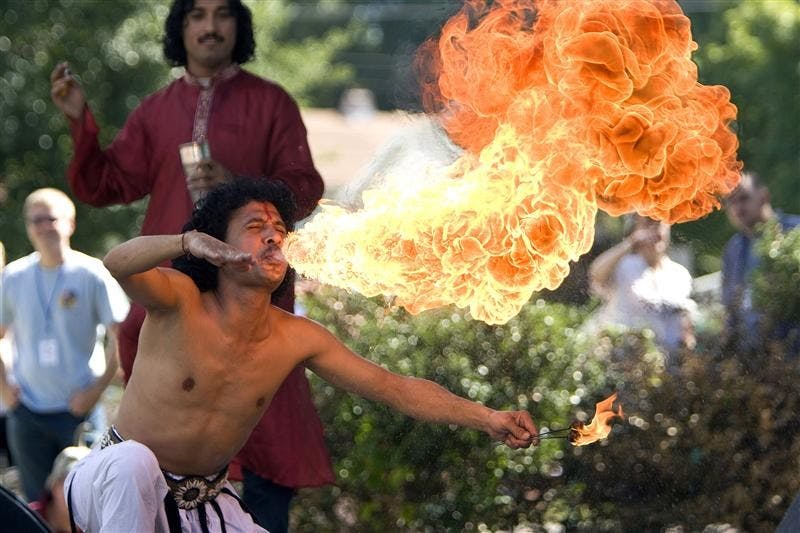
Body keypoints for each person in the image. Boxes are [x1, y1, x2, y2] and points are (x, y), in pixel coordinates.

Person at [64, 178, 539, 532]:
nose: (273, 236)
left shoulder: (297, 336)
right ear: (217, 244)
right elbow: (118, 262)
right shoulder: (179, 299)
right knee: (136, 463)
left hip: (202, 503)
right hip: (109, 484)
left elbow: (394, 388)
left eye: (278, 228)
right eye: (255, 227)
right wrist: (186, 242)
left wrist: (487, 417)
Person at [50, 0, 330, 528]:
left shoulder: (270, 103)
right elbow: (106, 185)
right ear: (180, 29)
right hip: (171, 305)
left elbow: (306, 187)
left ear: (238, 27)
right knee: (152, 467)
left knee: (265, 447)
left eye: (222, 14)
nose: (208, 26)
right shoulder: (156, 109)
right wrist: (79, 122)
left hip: (254, 306)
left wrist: (240, 184)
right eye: (195, 15)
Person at [0, 188, 129, 502]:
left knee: (87, 502)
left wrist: (95, 392)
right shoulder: (13, 276)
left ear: (70, 223)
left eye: (51, 218)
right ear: (28, 226)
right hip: (27, 411)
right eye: (36, 220)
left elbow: (123, 337)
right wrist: (5, 390)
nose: (44, 226)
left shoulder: (92, 273)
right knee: (37, 507)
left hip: (79, 412)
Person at [588, 214, 696, 361]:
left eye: (659, 224)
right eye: (647, 224)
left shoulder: (679, 273)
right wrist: (630, 243)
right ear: (635, 230)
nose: (655, 231)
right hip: (625, 361)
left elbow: (683, 317)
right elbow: (596, 274)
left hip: (668, 364)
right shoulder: (623, 266)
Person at [721, 170, 800, 351]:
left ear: (764, 196)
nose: (737, 208)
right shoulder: (733, 250)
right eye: (731, 202)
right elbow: (731, 309)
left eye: (744, 198)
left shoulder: (795, 233)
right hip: (754, 359)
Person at [29, 445, 91, 533]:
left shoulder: (101, 526)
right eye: (71, 486)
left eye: (87, 487)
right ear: (54, 485)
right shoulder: (26, 519)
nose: (79, 495)